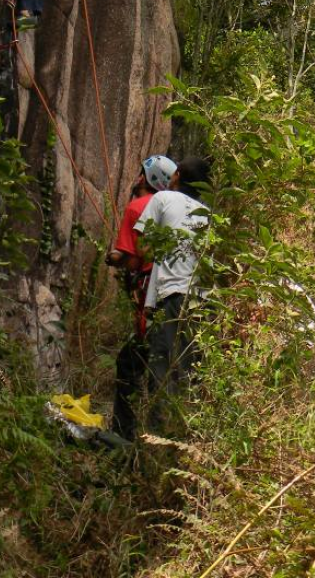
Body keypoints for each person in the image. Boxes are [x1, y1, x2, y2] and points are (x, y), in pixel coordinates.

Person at [134, 157, 211, 426]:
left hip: (173, 296)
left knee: (161, 372)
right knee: (188, 375)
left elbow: (143, 249)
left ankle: (157, 444)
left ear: (176, 175)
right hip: (201, 302)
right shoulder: (208, 214)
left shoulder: (163, 198)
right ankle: (183, 436)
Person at [105, 155, 177, 441]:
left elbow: (133, 261)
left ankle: (126, 434)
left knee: (132, 362)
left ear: (144, 179)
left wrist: (113, 257)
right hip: (171, 294)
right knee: (152, 360)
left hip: (149, 293)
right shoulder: (172, 208)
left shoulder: (138, 206)